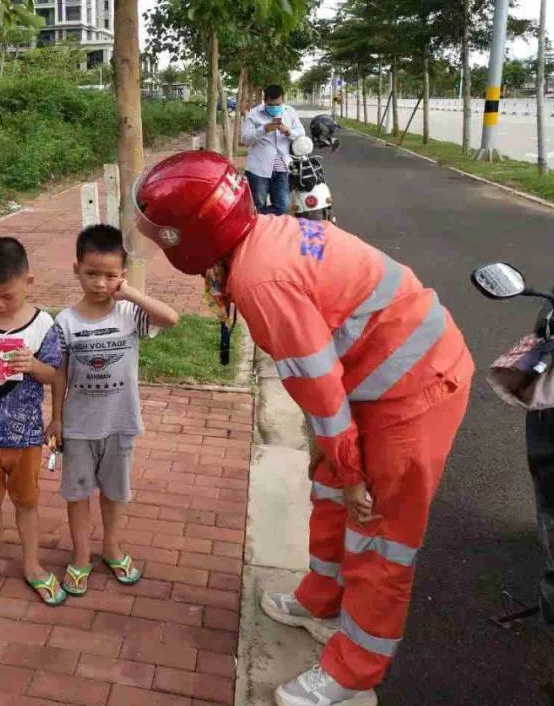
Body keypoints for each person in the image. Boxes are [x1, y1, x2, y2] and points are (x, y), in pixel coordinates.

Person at [131, 151, 474, 706]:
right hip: (377, 380)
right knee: (331, 490)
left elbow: (319, 387)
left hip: (414, 391)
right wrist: (339, 465)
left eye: (163, 235)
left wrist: (354, 469)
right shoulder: (262, 233)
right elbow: (324, 389)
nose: (158, 245)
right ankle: (323, 601)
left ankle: (353, 669)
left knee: (379, 535)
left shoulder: (260, 280)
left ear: (193, 237)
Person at [50, 225, 179, 596]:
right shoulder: (65, 321)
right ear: (76, 270)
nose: (101, 283)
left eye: (110, 275)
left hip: (120, 423)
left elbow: (170, 319)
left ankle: (112, 546)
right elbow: (59, 374)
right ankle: (80, 555)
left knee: (115, 492)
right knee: (77, 493)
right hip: (78, 427)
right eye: (92, 273)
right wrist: (56, 418)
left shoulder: (129, 314)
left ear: (122, 276)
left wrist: (131, 292)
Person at [0, 237, 65, 607]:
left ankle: (32, 564)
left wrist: (32, 366)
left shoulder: (43, 326)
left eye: (7, 296)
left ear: (28, 283)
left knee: (27, 503)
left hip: (26, 437)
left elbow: (54, 374)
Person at [241, 84, 305, 215]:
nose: (275, 108)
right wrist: (263, 129)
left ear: (283, 100)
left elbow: (301, 132)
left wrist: (289, 132)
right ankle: (261, 227)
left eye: (278, 104)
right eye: (271, 105)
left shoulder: (290, 112)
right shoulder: (254, 114)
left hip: (281, 168)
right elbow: (245, 139)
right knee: (258, 206)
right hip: (259, 170)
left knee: (283, 207)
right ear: (265, 101)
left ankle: (264, 220)